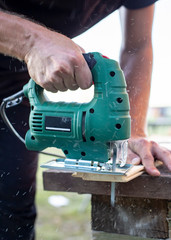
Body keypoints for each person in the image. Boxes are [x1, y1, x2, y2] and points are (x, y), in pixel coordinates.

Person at [0, 0, 170, 239]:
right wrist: (32, 41)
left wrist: (130, 130)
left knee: (11, 213)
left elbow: (137, 46)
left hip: (17, 86)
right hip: (18, 58)